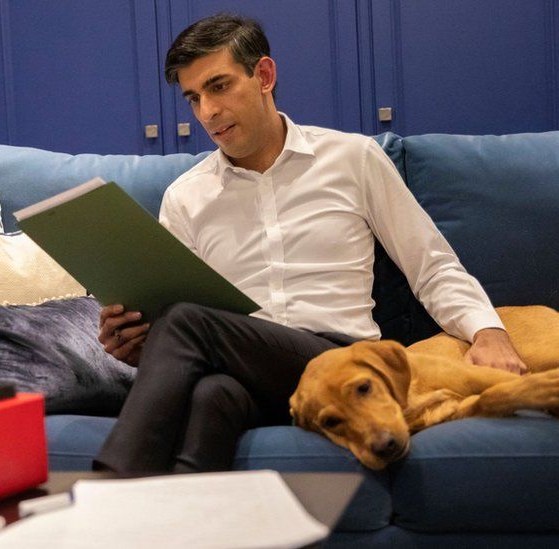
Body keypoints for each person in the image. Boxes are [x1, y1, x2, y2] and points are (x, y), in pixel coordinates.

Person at [93, 13, 526, 474]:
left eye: (218, 87)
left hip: (340, 361)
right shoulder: (185, 197)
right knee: (210, 393)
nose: (206, 113)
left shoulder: (353, 158)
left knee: (185, 321)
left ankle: (110, 488)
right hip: (249, 371)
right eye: (194, 98)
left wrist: (488, 331)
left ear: (263, 76)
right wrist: (139, 343)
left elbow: (432, 264)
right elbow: (181, 324)